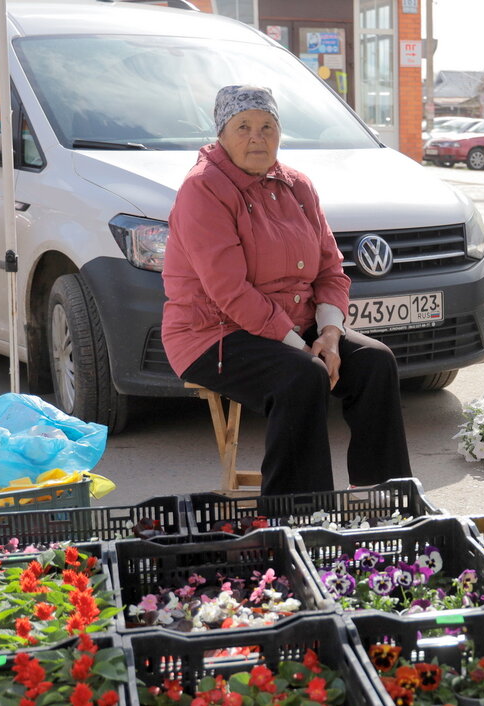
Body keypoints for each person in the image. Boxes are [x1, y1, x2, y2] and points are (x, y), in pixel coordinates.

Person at [162, 85, 412, 495]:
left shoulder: (298, 186)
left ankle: (383, 495)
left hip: (293, 327)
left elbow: (331, 268)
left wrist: (330, 336)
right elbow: (230, 291)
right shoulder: (203, 189)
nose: (256, 137)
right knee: (302, 375)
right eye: (243, 126)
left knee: (374, 361)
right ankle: (295, 511)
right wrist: (301, 346)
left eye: (267, 126)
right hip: (213, 333)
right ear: (221, 135)